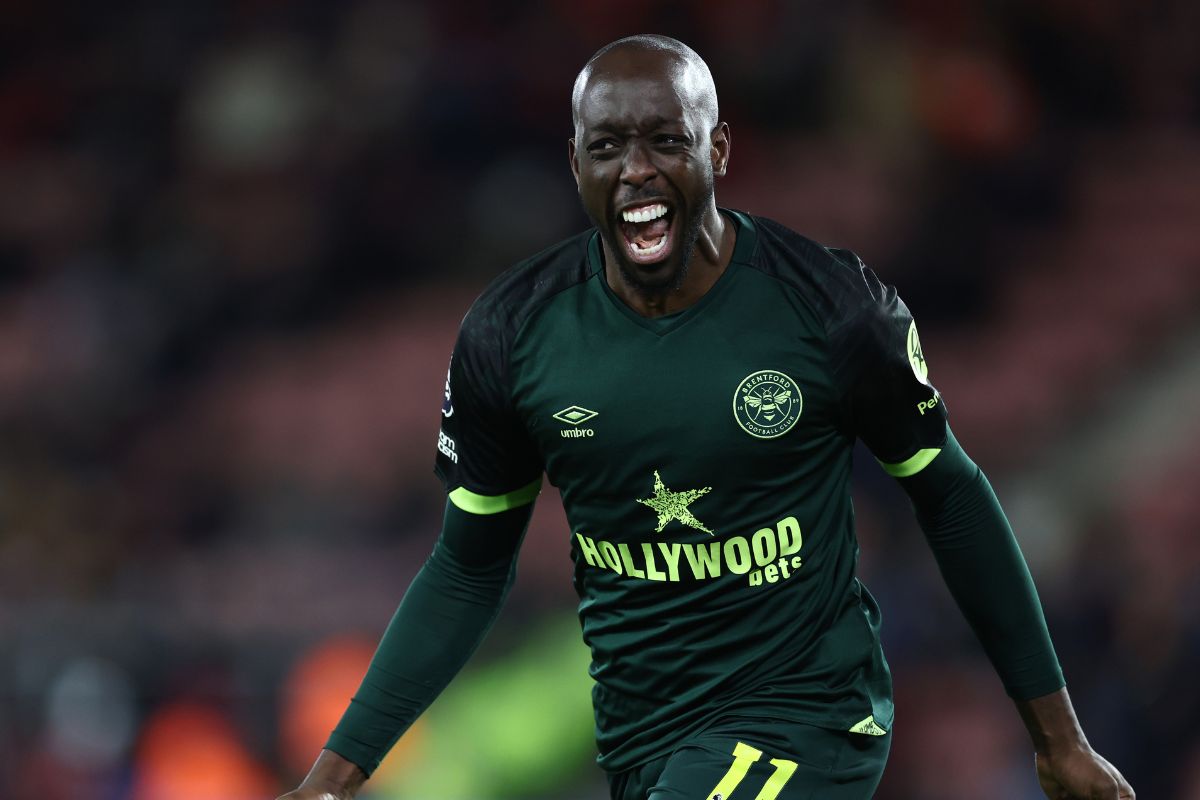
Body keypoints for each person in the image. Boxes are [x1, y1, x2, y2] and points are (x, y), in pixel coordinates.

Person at [279, 35, 1134, 800]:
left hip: (807, 718)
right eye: (607, 145)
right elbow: (468, 570)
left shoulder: (830, 310)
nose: (636, 170)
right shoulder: (514, 335)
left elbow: (951, 499)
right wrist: (333, 778)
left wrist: (1057, 740)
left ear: (717, 149)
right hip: (642, 740)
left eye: (666, 140)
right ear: (573, 160)